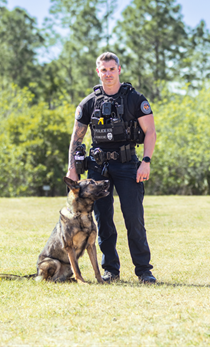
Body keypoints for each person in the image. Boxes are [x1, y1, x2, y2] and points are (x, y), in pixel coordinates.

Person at [66, 52, 157, 284]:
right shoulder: (89, 103)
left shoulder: (134, 98)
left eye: (111, 69)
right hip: (98, 168)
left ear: (118, 69)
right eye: (103, 70)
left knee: (134, 219)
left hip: (128, 166)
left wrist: (145, 162)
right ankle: (110, 270)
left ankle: (144, 270)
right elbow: (76, 138)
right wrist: (72, 169)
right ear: (98, 72)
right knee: (103, 219)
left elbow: (150, 132)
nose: (108, 74)